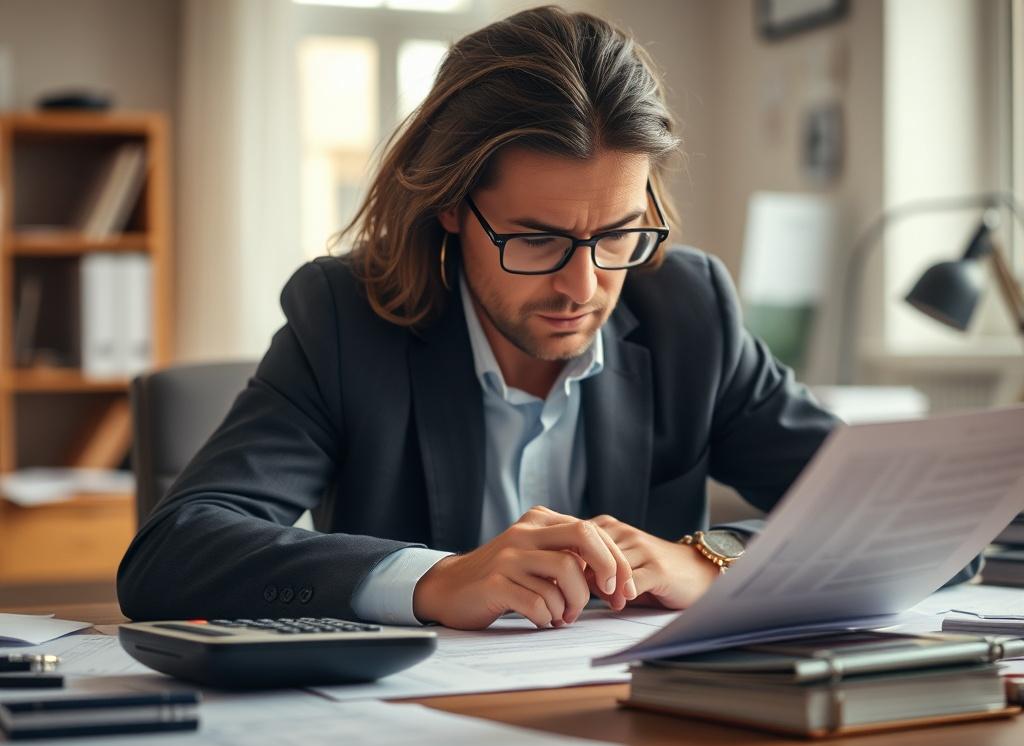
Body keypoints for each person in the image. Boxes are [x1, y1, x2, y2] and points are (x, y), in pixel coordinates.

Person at [117, 5, 841, 630]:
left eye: (617, 233)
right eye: (537, 239)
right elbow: (172, 553)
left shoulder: (687, 309)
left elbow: (918, 521)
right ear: (453, 206)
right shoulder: (344, 320)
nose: (583, 285)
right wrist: (432, 581)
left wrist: (706, 561)